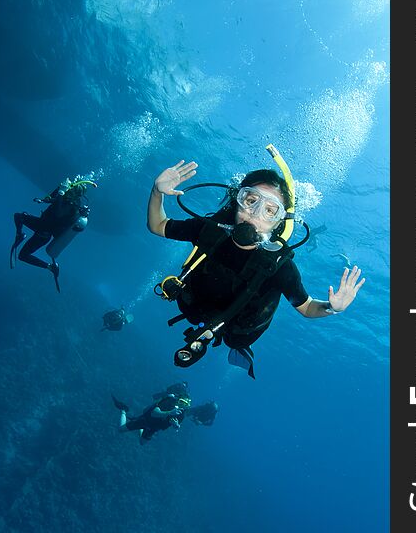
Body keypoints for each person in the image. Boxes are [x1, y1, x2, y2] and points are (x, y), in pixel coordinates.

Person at [147, 144, 365, 378]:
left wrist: (333, 308)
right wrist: (157, 191)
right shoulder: (209, 230)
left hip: (237, 331)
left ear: (279, 223)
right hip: (192, 306)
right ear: (237, 200)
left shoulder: (279, 266)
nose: (255, 213)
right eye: (250, 200)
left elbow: (307, 307)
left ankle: (241, 350)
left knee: (236, 340)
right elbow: (158, 226)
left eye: (270, 211)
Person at [10, 175, 97, 291]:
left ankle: (51, 267)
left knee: (22, 255)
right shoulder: (67, 196)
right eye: (70, 189)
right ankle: (20, 236)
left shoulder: (73, 206)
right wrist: (43, 199)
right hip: (42, 225)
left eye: (72, 190)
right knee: (19, 217)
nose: (69, 191)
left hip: (43, 234)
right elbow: (52, 198)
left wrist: (61, 192)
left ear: (77, 194)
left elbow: (58, 213)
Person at [112, 382, 218, 445]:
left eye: (185, 404)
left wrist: (176, 426)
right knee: (120, 430)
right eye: (181, 402)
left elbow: (177, 425)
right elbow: (154, 413)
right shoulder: (168, 402)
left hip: (154, 428)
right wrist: (169, 412)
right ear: (178, 399)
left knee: (141, 443)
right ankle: (124, 411)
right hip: (147, 420)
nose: (182, 405)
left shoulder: (182, 412)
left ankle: (141, 428)